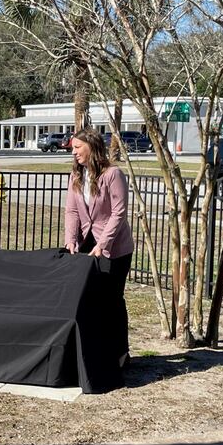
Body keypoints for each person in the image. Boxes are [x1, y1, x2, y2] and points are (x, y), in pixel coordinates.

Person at [64, 129, 134, 368]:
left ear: (91, 148)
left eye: (77, 148)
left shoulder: (112, 174)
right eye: (73, 149)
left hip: (115, 247)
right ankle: (92, 352)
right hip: (86, 243)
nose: (73, 153)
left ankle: (120, 355)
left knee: (112, 300)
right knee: (87, 300)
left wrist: (103, 243)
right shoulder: (75, 175)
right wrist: (71, 239)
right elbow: (72, 211)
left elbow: (119, 212)